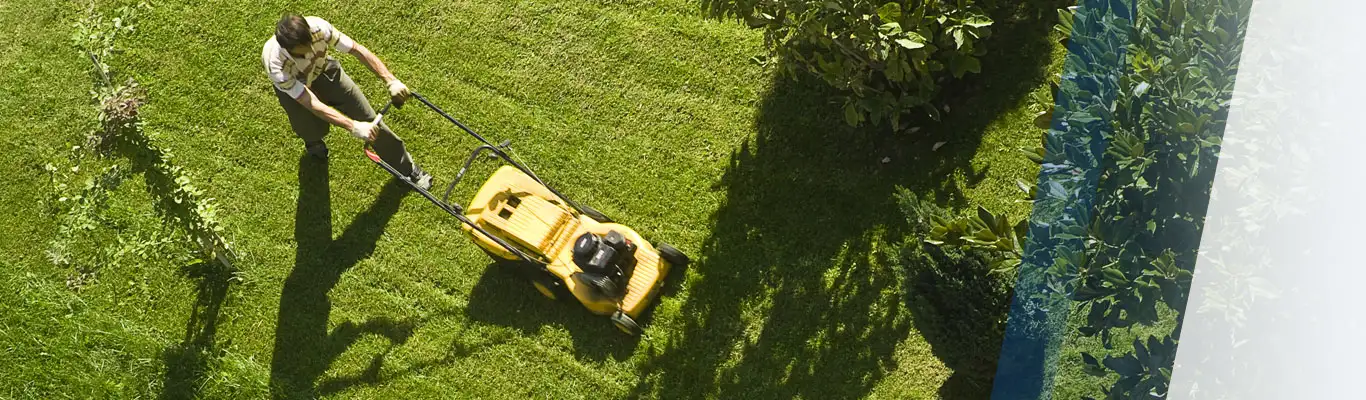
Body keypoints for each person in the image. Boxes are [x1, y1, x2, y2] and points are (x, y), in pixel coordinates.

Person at [262, 14, 432, 190]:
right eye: (304, 49)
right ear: (289, 49)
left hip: (325, 71)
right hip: (297, 86)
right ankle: (314, 142)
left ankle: (407, 169)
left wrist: (390, 80)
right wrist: (353, 126)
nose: (311, 50)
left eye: (311, 43)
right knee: (309, 127)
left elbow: (356, 50)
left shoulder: (318, 27)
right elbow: (309, 101)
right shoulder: (276, 65)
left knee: (369, 120)